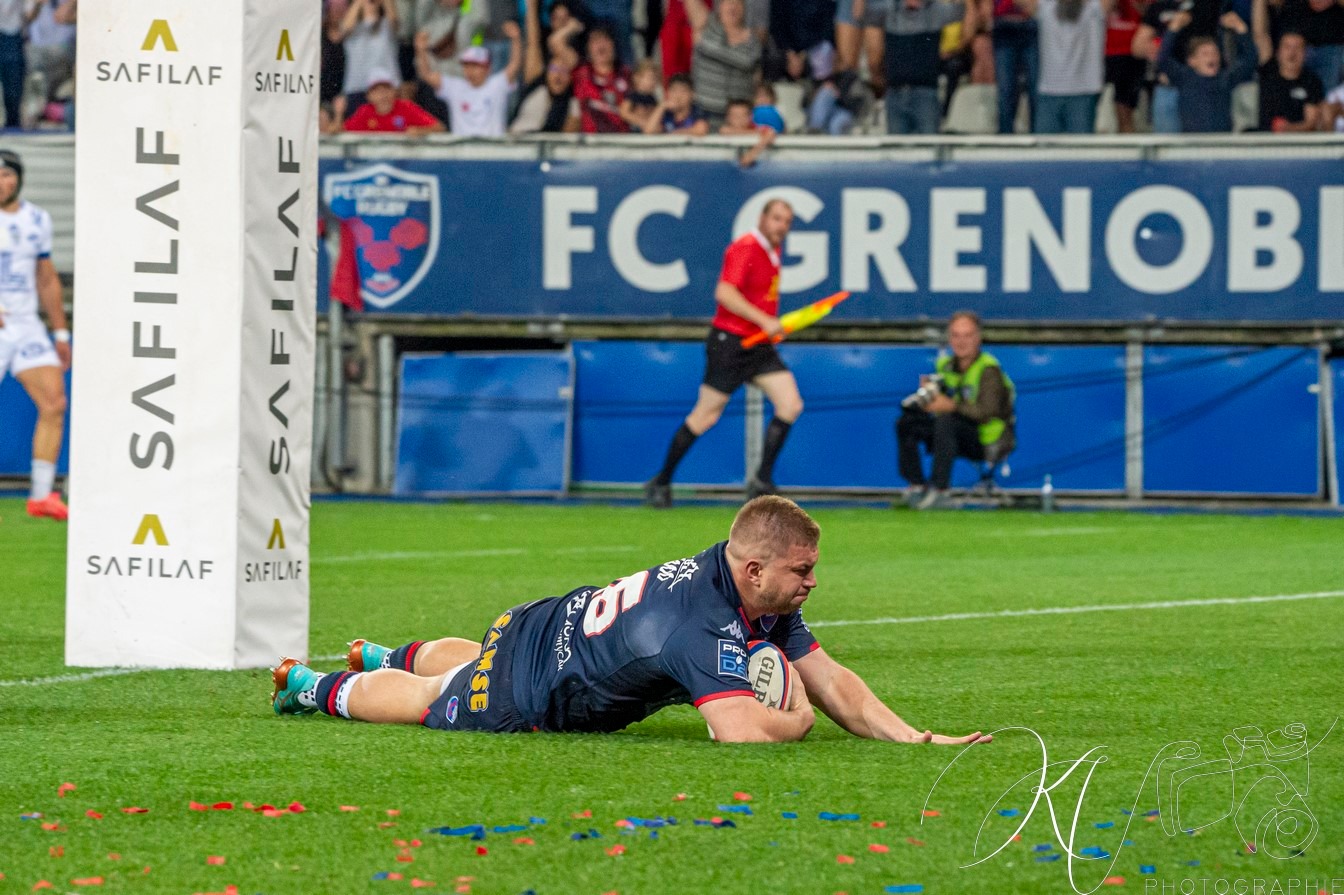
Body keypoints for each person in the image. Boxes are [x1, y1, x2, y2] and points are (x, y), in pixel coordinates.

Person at [271, 495, 993, 746]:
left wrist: (915, 736)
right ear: (753, 569)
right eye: (801, 570)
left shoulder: (750, 593)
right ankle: (312, 685)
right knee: (434, 701)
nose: (812, 581)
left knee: (472, 656)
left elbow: (829, 677)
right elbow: (737, 729)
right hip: (533, 687)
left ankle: (385, 650)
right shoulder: (705, 624)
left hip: (549, 618)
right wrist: (796, 721)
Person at [644, 199, 803, 508]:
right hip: (730, 343)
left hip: (758, 345)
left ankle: (762, 482)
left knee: (791, 404)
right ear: (762, 218)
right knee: (705, 416)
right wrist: (764, 320)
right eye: (776, 219)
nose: (781, 226)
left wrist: (770, 326)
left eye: (787, 221)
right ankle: (661, 482)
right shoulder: (745, 248)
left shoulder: (773, 251)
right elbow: (724, 293)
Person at [0, 151, 69, 520]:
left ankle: (42, 496)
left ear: (18, 180)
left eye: (6, 174)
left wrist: (60, 331)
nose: (0, 182)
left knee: (55, 403)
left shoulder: (37, 219)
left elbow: (45, 277)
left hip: (25, 323)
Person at [896, 311, 1015, 511]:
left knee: (946, 420)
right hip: (952, 434)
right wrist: (927, 399)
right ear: (949, 338)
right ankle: (916, 486)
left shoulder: (989, 369)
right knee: (908, 421)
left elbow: (987, 412)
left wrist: (950, 406)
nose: (961, 342)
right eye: (956, 336)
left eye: (967, 335)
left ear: (978, 338)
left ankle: (940, 491)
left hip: (987, 439)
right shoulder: (945, 365)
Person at [883, 0, 978, 135]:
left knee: (930, 149)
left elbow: (960, 10)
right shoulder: (889, 10)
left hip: (926, 94)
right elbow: (861, 15)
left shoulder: (936, 11)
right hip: (895, 94)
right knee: (897, 152)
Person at [416, 21, 522, 136]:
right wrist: (421, 50)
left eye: (476, 66)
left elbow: (515, 65)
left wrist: (516, 39)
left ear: (488, 69)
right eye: (467, 66)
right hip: (462, 150)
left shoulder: (497, 85)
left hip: (492, 150)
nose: (470, 70)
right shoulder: (455, 87)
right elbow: (426, 75)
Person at [1157, 9, 1257, 131]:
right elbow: (1163, 59)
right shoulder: (1184, 78)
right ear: (1192, 61)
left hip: (1221, 145)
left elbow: (1251, 60)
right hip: (1192, 145)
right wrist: (1174, 28)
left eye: (1215, 53)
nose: (1212, 57)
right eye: (1205, 54)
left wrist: (1241, 28)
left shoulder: (1225, 79)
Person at [1028, 0, 1112, 134]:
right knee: (1043, 152)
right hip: (1049, 92)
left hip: (1084, 92)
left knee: (1080, 151)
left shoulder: (1095, 8)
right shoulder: (1046, 7)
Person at [685, 0, 763, 127]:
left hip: (738, 116)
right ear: (719, 6)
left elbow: (750, 66)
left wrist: (709, 48)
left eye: (738, 3)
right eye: (728, 3)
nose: (733, 7)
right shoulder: (707, 26)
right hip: (704, 112)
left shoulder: (752, 40)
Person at [1254, 0, 1326, 131]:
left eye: (1298, 47)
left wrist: (1288, 128)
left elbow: (1311, 123)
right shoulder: (1269, 70)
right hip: (1264, 144)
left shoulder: (1311, 81)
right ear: (1278, 52)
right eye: (1287, 47)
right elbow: (1260, 34)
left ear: (1305, 53)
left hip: (1298, 146)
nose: (1292, 53)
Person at [566, 23, 633, 132]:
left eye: (606, 39)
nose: (601, 45)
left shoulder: (627, 75)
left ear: (614, 45)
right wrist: (572, 26)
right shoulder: (580, 73)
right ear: (588, 48)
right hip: (590, 143)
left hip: (621, 142)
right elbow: (556, 43)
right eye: (595, 40)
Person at [343, 68, 447, 132]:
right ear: (369, 96)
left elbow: (440, 127)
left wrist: (420, 131)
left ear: (394, 91)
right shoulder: (364, 112)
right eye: (377, 91)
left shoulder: (406, 107)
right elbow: (340, 131)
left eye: (386, 89)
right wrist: (339, 115)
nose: (383, 95)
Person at [644, 72, 711, 133]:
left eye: (683, 91)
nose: (678, 96)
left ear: (692, 94)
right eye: (674, 90)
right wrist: (662, 106)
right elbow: (648, 130)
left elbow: (701, 129)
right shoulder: (666, 114)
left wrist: (676, 133)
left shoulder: (696, 111)